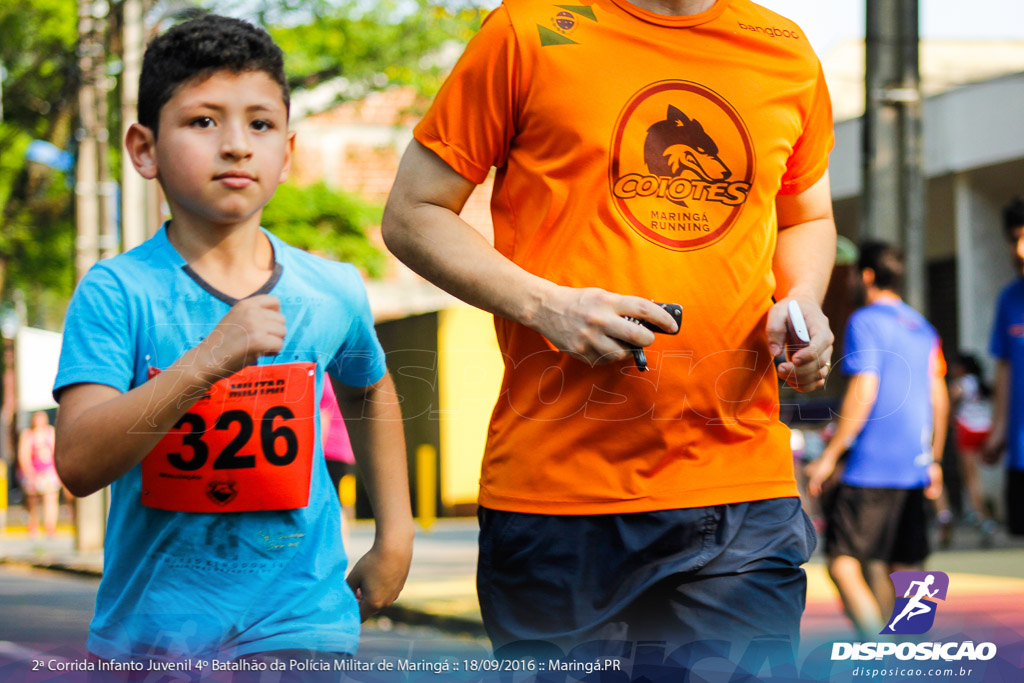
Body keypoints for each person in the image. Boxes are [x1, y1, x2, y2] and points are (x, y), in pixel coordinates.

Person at [383, 0, 835, 656]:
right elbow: (412, 212)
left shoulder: (783, 47)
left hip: (738, 487)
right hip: (558, 495)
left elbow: (804, 217)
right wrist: (547, 306)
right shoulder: (526, 29)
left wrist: (802, 304)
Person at [52, 14, 413, 668]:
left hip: (302, 623)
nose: (237, 145)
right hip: (155, 633)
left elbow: (367, 388)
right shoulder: (116, 291)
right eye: (203, 121)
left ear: (287, 150)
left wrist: (397, 534)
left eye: (260, 123)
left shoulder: (333, 288)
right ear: (144, 149)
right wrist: (205, 364)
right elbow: (77, 461)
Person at [806, 242, 948, 639]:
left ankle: (877, 650)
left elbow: (865, 389)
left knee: (844, 563)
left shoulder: (865, 321)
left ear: (866, 275)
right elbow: (939, 398)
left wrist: (831, 455)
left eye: (852, 273)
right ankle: (907, 649)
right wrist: (933, 459)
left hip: (871, 466)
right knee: (904, 567)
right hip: (914, 468)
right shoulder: (922, 326)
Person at [982, 197, 1024, 537]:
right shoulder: (1008, 300)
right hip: (1020, 455)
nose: (1020, 250)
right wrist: (998, 429)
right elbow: (1005, 367)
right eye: (1014, 239)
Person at [321, 378, 357, 544]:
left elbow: (323, 417)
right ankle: (342, 550)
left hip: (329, 452)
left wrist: (317, 455)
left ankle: (338, 549)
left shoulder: (323, 379)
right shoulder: (339, 380)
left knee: (329, 505)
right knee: (335, 504)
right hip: (343, 452)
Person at [17, 411, 60, 538]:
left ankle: (50, 525)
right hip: (33, 472)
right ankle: (33, 523)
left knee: (51, 498)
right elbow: (23, 454)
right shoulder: (28, 434)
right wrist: (29, 471)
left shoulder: (50, 432)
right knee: (32, 499)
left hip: (49, 471)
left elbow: (55, 452)